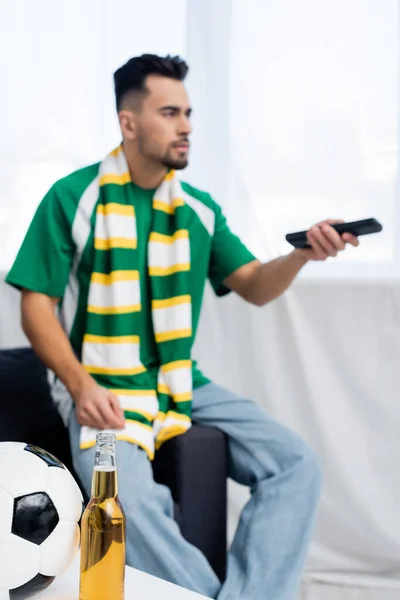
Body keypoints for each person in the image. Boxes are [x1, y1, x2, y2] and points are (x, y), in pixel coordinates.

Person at [6, 54, 359, 600]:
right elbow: (36, 306)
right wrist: (80, 386)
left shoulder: (198, 209)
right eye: (170, 112)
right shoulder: (72, 197)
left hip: (178, 382)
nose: (187, 126)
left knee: (297, 465)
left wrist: (305, 254)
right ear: (128, 123)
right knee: (130, 504)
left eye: (189, 113)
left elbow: (254, 284)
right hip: (103, 387)